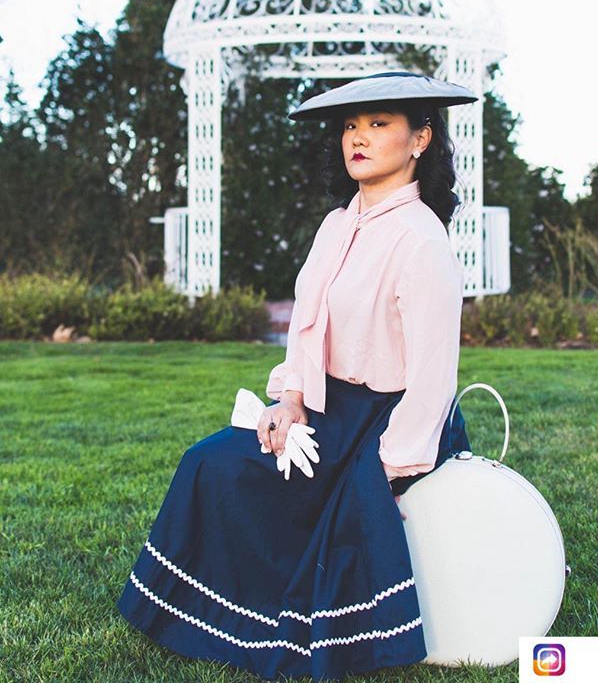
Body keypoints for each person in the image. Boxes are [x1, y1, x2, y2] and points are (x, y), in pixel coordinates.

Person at [117, 71, 474, 682]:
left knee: (323, 510)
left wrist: (392, 470)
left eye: (378, 124)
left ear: (420, 140)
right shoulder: (337, 224)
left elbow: (434, 377)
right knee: (212, 462)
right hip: (325, 410)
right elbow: (307, 328)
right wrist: (289, 402)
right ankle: (196, 614)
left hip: (385, 427)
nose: (357, 138)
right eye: (349, 127)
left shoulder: (422, 239)